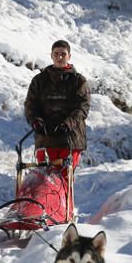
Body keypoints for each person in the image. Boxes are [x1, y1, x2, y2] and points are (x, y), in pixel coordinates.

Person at [24, 39, 90, 170]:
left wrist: (68, 124)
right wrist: (36, 122)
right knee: (45, 180)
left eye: (63, 54)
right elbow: (31, 105)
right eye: (56, 54)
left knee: (64, 180)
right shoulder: (39, 80)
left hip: (70, 138)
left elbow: (82, 107)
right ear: (51, 55)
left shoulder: (78, 81)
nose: (59, 57)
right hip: (45, 138)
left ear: (69, 56)